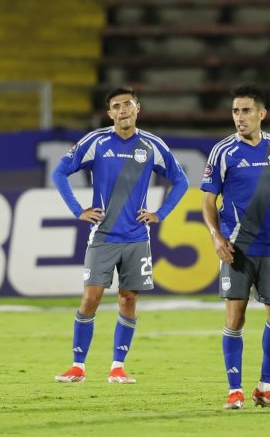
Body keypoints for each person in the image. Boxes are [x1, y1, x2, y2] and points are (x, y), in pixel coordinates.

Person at [51, 86, 189, 385]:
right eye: (117, 106)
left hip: (137, 237)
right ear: (110, 112)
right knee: (91, 298)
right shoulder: (96, 141)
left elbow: (181, 180)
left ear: (137, 108)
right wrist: (78, 210)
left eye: (128, 104)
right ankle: (78, 366)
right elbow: (60, 172)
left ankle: (117, 367)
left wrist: (159, 214)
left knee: (128, 300)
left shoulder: (152, 144)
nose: (123, 110)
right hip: (103, 235)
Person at [201, 84, 270, 410]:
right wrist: (216, 237)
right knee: (235, 318)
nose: (240, 117)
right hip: (237, 248)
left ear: (261, 114)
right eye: (235, 111)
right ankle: (234, 391)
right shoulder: (222, 152)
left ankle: (267, 388)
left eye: (246, 110)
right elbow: (208, 201)